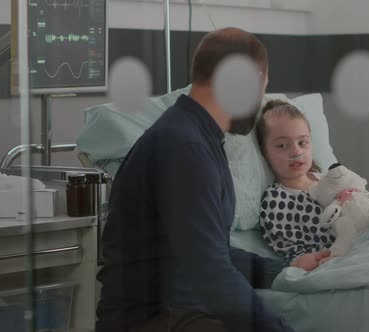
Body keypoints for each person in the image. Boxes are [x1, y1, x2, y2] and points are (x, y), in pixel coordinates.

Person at [96, 28, 329, 332]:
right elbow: (210, 272)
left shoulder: (199, 139)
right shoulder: (183, 147)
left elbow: (211, 251)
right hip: (152, 319)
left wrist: (285, 270)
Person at [256, 100, 351, 260]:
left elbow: (364, 205)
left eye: (302, 142)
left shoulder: (330, 179)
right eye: (282, 145)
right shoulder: (277, 200)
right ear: (265, 154)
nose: (296, 151)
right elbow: (289, 249)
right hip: (336, 258)